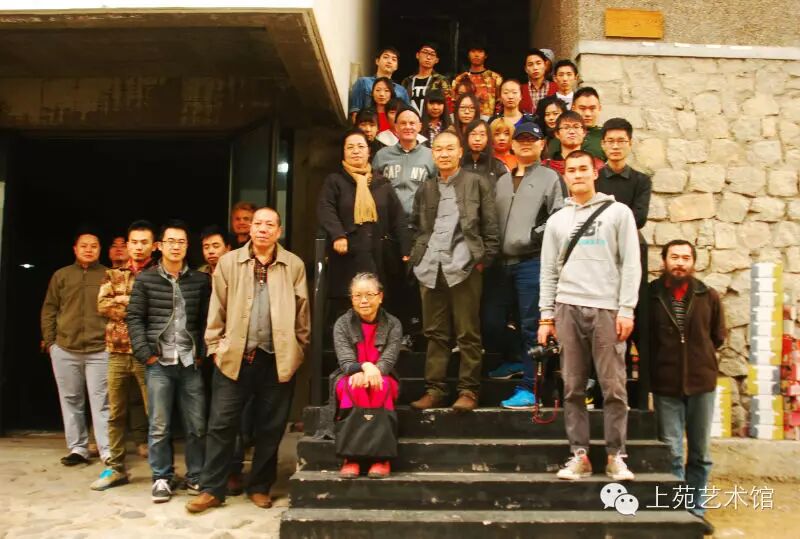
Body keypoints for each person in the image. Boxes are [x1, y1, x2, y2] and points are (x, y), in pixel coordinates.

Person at [185, 207, 310, 513]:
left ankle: (260, 487)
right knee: (221, 425)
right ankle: (212, 489)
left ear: (278, 231)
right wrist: (215, 347)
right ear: (250, 229)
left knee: (271, 427)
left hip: (276, 360)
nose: (263, 229)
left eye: (269, 224)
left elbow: (302, 312)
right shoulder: (230, 262)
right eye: (258, 224)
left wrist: (298, 350)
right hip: (234, 358)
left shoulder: (293, 264)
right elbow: (217, 307)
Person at [538, 151, 641, 482]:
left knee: (614, 387)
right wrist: (546, 316)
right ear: (565, 176)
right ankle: (579, 455)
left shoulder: (618, 213)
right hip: (567, 306)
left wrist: (626, 309)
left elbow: (631, 264)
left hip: (607, 307)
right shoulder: (558, 220)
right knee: (572, 386)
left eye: (584, 169)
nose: (578, 174)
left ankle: (615, 455)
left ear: (595, 173)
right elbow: (548, 271)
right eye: (572, 170)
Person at [408, 130, 499, 412]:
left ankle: (468, 391)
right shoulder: (426, 188)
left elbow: (491, 227)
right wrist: (417, 257)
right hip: (430, 267)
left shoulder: (477, 182)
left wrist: (482, 260)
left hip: (464, 266)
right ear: (432, 154)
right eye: (438, 149)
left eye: (450, 148)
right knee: (434, 332)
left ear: (460, 152)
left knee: (467, 332)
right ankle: (435, 390)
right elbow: (416, 225)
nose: (444, 154)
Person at [127, 219, 211, 503]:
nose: (176, 247)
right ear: (160, 246)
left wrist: (201, 352)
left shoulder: (200, 281)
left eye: (181, 242)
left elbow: (207, 320)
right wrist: (145, 353)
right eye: (171, 242)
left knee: (197, 425)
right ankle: (161, 477)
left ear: (187, 247)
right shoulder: (146, 279)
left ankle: (195, 475)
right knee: (159, 425)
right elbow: (134, 318)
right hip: (159, 364)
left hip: (190, 363)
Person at [484, 123, 565, 408]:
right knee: (492, 321)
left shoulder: (550, 177)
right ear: (513, 145)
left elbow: (559, 215)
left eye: (532, 139)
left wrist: (532, 237)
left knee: (532, 325)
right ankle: (516, 359)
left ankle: (530, 387)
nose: (526, 143)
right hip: (501, 263)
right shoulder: (503, 180)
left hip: (532, 262)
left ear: (542, 144)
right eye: (521, 139)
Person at [650, 240, 726, 536]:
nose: (680, 263)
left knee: (700, 453)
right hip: (666, 384)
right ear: (664, 260)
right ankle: (676, 512)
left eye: (685, 257)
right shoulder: (651, 295)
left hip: (701, 382)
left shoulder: (708, 295)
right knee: (671, 451)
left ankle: (696, 510)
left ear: (694, 262)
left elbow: (717, 336)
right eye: (674, 257)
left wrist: (699, 359)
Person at [91, 220, 157, 490]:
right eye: (134, 242)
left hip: (147, 353)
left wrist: (123, 301)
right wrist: (135, 307)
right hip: (117, 351)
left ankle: (160, 470)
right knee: (115, 412)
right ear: (128, 245)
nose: (139, 247)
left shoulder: (159, 274)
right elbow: (102, 305)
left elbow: (157, 311)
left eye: (144, 242)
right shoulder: (113, 274)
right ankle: (115, 467)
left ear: (154, 246)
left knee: (156, 413)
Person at [317, 129, 409, 308]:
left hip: (378, 254)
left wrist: (405, 248)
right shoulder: (335, 181)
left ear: (369, 151)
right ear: (343, 152)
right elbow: (326, 208)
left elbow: (398, 217)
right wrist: (338, 235)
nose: (356, 151)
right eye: (350, 147)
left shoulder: (382, 183)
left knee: (379, 304)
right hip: (347, 254)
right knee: (347, 305)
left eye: (360, 146)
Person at [41, 231, 110, 467]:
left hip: (100, 349)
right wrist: (51, 342)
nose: (89, 249)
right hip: (65, 348)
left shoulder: (108, 275)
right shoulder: (61, 275)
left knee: (102, 402)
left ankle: (107, 450)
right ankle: (78, 448)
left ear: (100, 249)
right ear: (75, 249)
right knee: (71, 399)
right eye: (84, 246)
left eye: (94, 246)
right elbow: (50, 309)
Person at [373, 107, 435, 344]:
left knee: (415, 281)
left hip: (419, 228)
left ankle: (414, 332)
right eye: (403, 123)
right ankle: (391, 333)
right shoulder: (382, 156)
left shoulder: (430, 156)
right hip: (388, 230)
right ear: (395, 128)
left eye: (412, 123)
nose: (408, 127)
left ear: (420, 127)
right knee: (391, 281)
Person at [331, 273, 401, 479]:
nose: (363, 300)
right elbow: (346, 362)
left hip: (384, 375)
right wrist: (364, 367)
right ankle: (351, 458)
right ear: (351, 299)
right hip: (350, 374)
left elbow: (388, 360)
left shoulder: (393, 324)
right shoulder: (342, 324)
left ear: (380, 297)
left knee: (381, 386)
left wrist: (373, 371)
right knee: (355, 385)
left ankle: (381, 458)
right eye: (357, 295)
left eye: (369, 295)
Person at [348, 47, 410, 121]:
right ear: (377, 61)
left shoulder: (401, 91)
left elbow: (406, 115)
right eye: (386, 57)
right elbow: (355, 112)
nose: (389, 61)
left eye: (394, 59)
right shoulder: (363, 82)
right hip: (369, 125)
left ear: (396, 66)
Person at [543, 111, 604, 175]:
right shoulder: (547, 166)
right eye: (566, 127)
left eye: (576, 127)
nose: (572, 132)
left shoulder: (596, 165)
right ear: (557, 134)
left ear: (584, 133)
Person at [452, 42, 503, 120]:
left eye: (480, 51)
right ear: (468, 54)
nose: (476, 55)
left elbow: (500, 104)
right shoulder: (460, 79)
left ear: (485, 55)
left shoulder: (495, 78)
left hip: (487, 122)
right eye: (473, 51)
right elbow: (454, 104)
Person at [401, 42, 453, 115]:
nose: (428, 57)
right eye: (425, 52)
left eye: (432, 54)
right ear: (417, 55)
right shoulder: (407, 81)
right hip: (410, 120)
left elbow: (448, 106)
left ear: (437, 60)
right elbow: (401, 104)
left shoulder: (442, 81)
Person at [461, 119, 507, 185]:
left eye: (482, 134)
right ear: (467, 138)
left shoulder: (497, 165)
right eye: (473, 134)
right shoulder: (457, 164)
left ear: (488, 138)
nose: (477, 139)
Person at [520, 48, 557, 115]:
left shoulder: (556, 87)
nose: (535, 68)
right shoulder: (520, 90)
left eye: (538, 63)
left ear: (545, 65)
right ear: (526, 69)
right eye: (530, 64)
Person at [572, 87, 605, 160]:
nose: (587, 114)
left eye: (592, 108)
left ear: (599, 109)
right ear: (573, 109)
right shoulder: (562, 135)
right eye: (582, 108)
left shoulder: (606, 136)